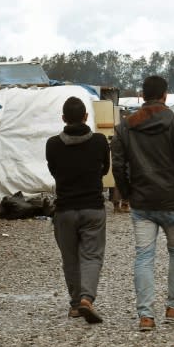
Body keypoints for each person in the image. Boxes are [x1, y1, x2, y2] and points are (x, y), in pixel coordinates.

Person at [110, 75, 174, 332]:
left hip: (142, 202)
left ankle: (146, 316)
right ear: (165, 95)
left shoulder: (125, 126)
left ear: (141, 95)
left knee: (144, 257)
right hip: (171, 199)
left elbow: (117, 165)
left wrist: (127, 194)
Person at [45, 96, 110, 324]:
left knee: (70, 258)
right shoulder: (100, 141)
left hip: (64, 211)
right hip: (93, 208)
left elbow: (54, 171)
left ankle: (75, 305)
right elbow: (105, 169)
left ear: (63, 119)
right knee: (91, 256)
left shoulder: (52, 144)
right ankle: (86, 299)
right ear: (86, 117)